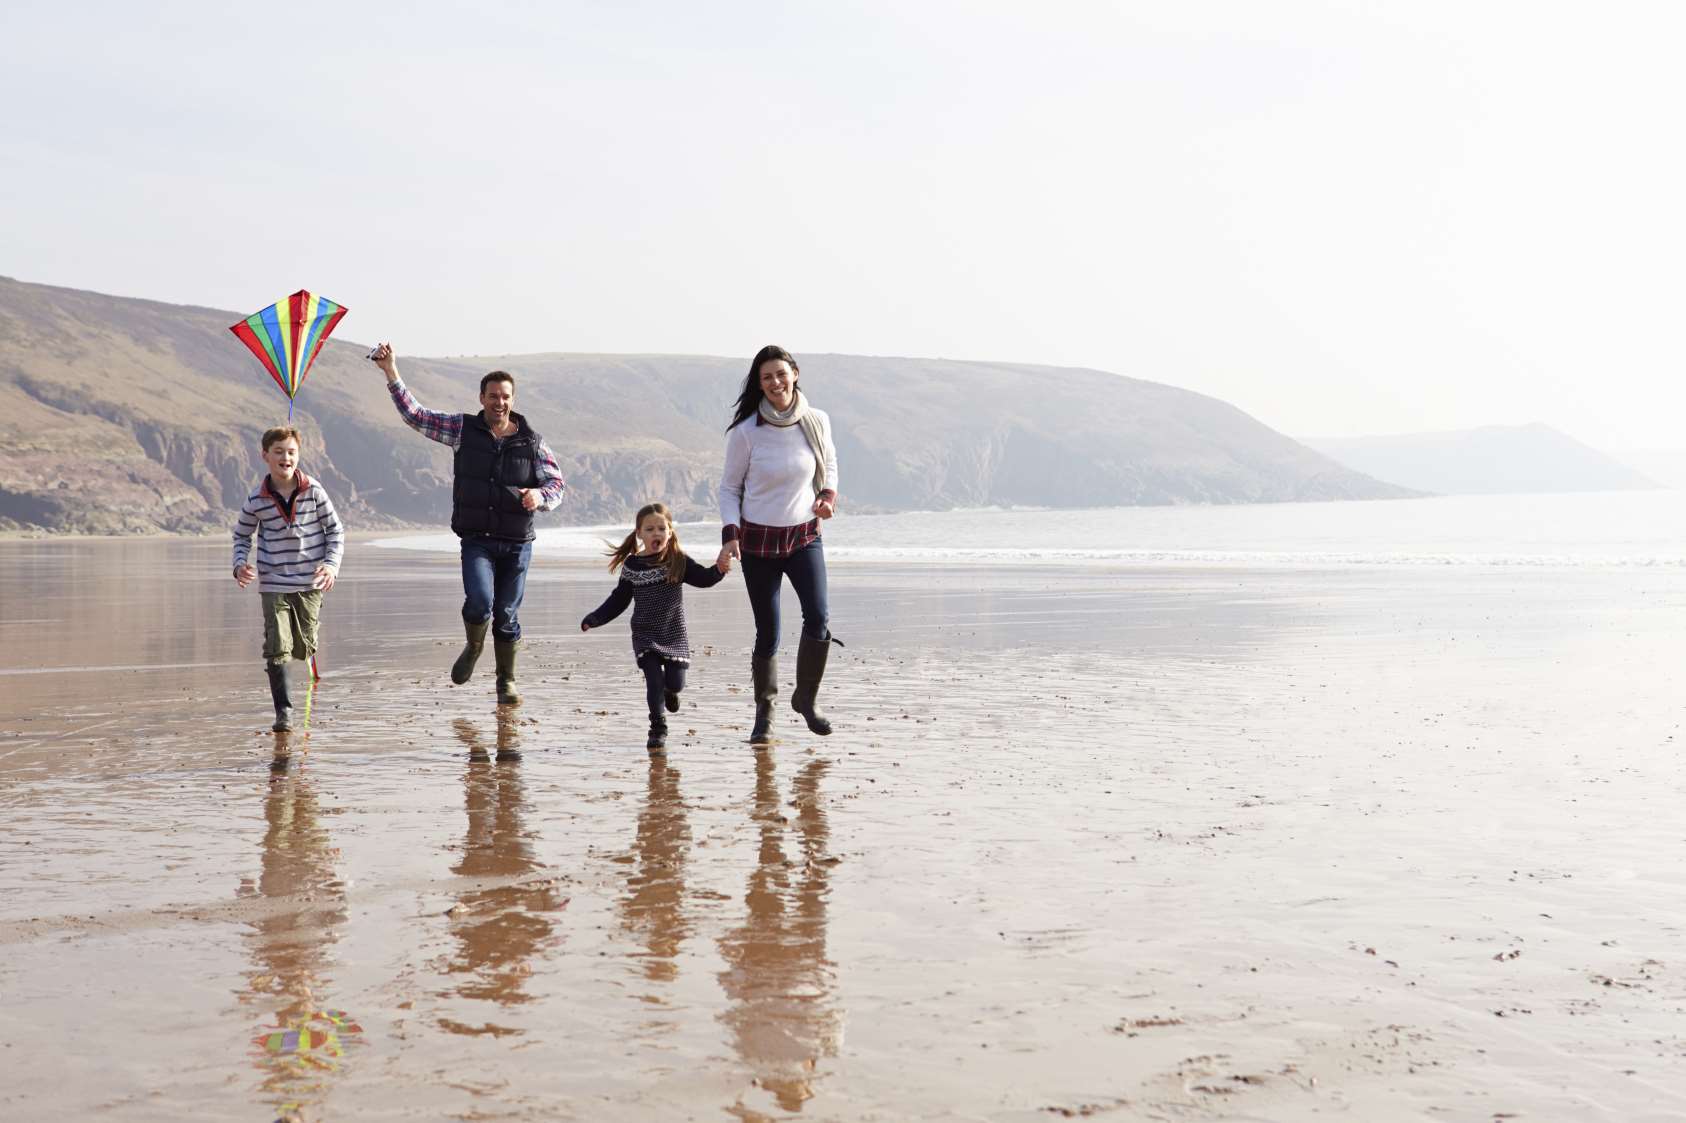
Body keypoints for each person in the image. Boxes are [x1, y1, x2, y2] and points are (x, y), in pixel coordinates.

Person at [369, 343, 566, 705]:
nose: (499, 403)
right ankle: (474, 648)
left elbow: (556, 483)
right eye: (492, 396)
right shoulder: (462, 429)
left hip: (517, 543)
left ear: (513, 399)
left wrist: (541, 497)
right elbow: (416, 416)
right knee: (480, 603)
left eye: (505, 397)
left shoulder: (533, 443)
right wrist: (391, 372)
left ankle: (506, 680)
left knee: (507, 614)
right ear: (482, 398)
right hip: (477, 539)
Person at [715, 346, 841, 745]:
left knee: (818, 618)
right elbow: (728, 488)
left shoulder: (817, 420)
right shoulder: (746, 432)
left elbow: (830, 464)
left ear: (795, 374)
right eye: (766, 377)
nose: (775, 383)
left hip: (804, 536)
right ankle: (764, 716)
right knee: (768, 631)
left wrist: (827, 496)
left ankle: (806, 699)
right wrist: (731, 534)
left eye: (781, 374)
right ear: (759, 383)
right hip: (758, 543)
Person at [581, 502, 731, 752]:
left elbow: (704, 579)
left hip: (673, 632)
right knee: (653, 680)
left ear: (670, 531)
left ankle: (670, 691)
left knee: (676, 684)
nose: (656, 533)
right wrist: (595, 618)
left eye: (661, 528)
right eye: (649, 529)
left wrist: (719, 569)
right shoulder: (632, 566)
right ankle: (657, 728)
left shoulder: (678, 561)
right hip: (644, 633)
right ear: (639, 533)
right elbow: (619, 599)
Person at [232, 426, 345, 732]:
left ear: (299, 456)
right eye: (279, 451)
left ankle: (306, 652)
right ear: (265, 456)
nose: (286, 457)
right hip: (273, 583)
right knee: (277, 646)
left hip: (309, 583)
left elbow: (335, 532)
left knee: (302, 646)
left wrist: (331, 566)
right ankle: (284, 711)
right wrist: (240, 563)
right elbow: (241, 535)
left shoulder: (314, 491)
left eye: (291, 452)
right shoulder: (256, 498)